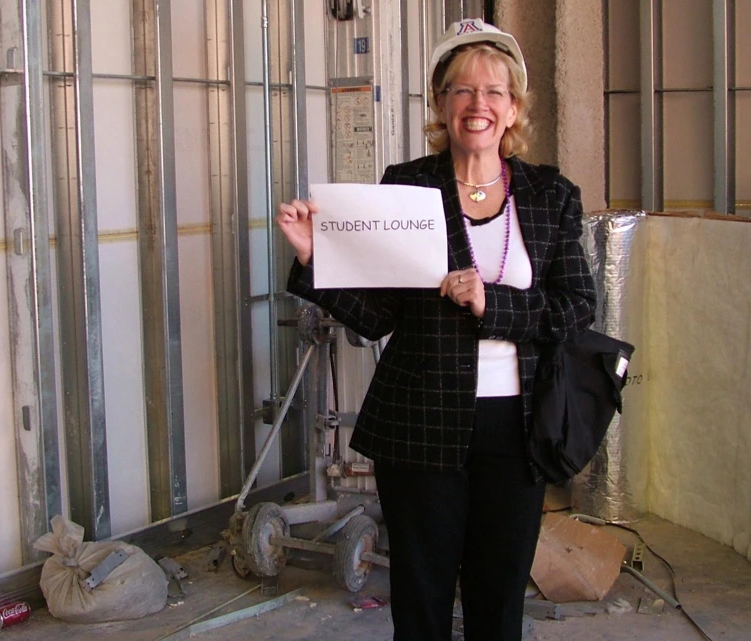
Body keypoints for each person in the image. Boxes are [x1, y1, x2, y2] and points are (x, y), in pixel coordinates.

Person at [275, 19, 596, 641]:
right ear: (441, 103)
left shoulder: (549, 194)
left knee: (498, 593)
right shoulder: (409, 185)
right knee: (420, 596)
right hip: (420, 422)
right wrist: (317, 256)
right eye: (461, 90)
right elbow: (377, 317)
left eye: (494, 92)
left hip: (517, 424)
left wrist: (492, 304)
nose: (478, 104)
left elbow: (576, 308)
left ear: (513, 109)